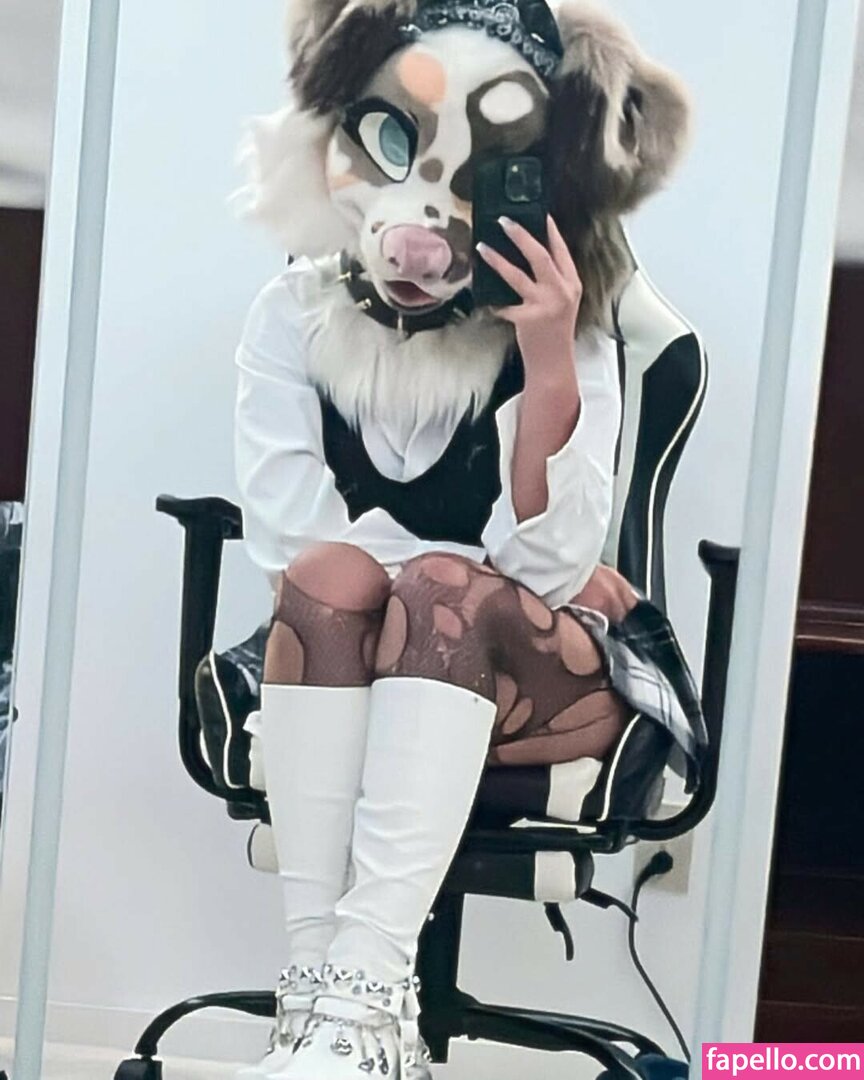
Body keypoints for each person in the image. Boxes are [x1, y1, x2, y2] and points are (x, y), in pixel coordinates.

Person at [232, 2, 704, 1076]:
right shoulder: (290, 314)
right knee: (331, 575)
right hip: (361, 646)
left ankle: (370, 984)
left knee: (442, 589)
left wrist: (549, 358)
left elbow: (544, 571)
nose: (422, 221)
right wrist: (408, 583)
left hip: (543, 675)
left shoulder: (570, 330)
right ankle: (322, 1010)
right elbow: (293, 550)